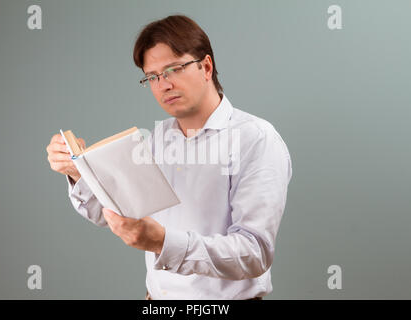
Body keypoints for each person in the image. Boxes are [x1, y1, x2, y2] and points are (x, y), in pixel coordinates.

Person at [46, 15, 292, 300]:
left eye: (174, 69)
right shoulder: (156, 140)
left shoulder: (256, 139)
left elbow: (254, 253)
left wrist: (163, 242)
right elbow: (115, 215)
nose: (163, 85)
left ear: (206, 67)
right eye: (152, 77)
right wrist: (77, 171)